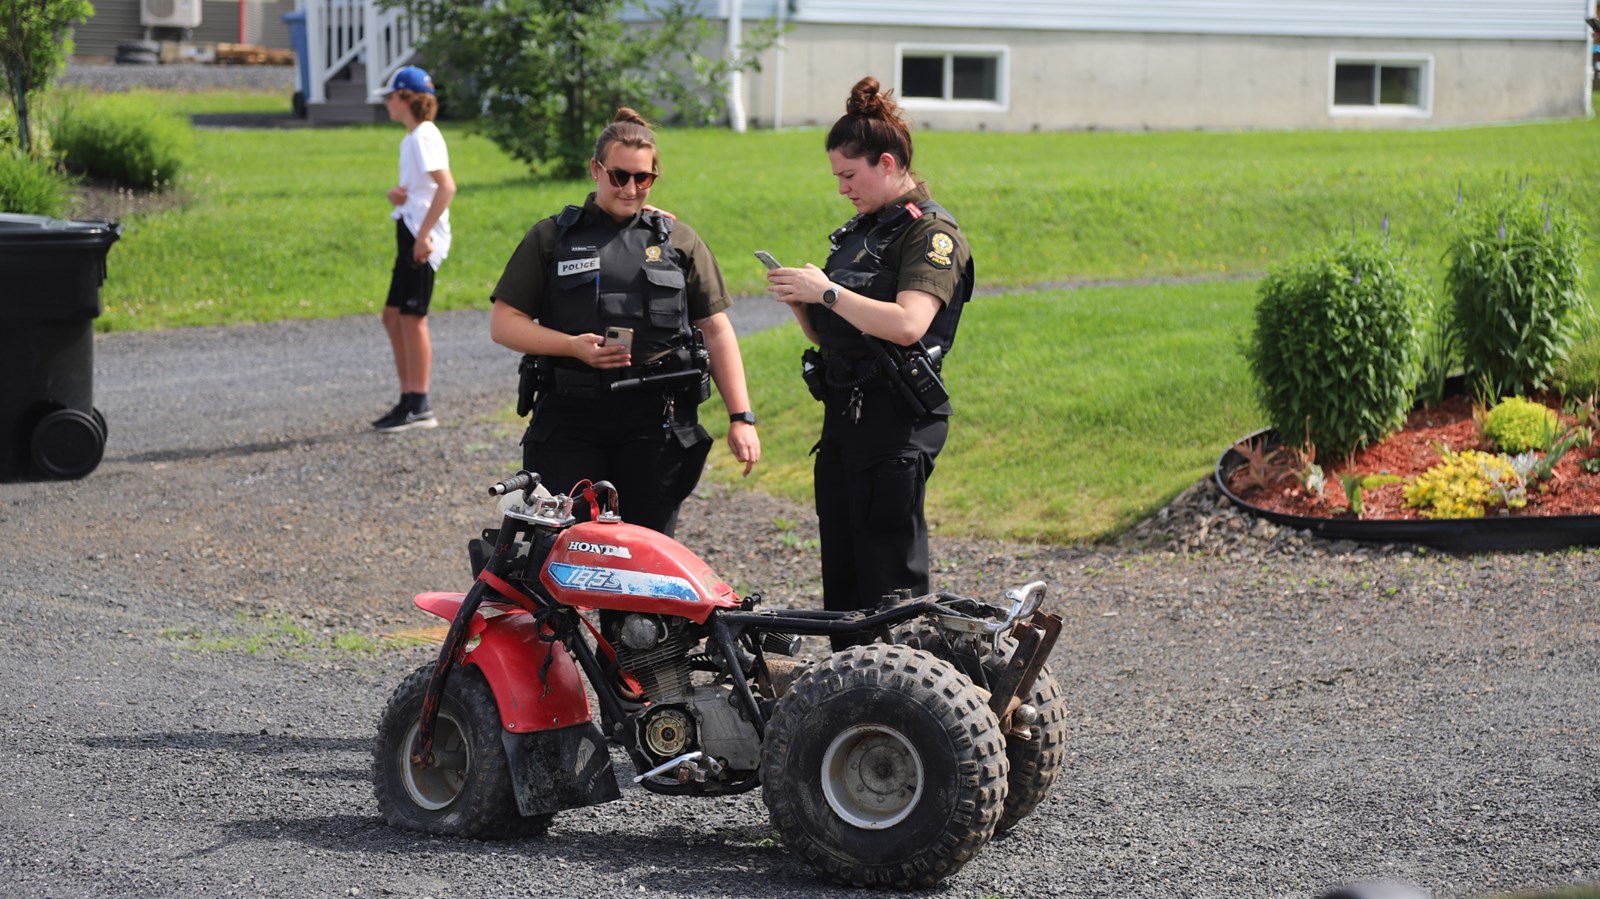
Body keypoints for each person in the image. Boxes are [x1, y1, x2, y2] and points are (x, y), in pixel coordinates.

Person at [766, 76, 975, 648]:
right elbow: (838, 333)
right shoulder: (861, 233)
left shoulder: (929, 234)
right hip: (847, 416)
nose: (842, 189)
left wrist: (828, 292)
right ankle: (849, 691)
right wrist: (801, 300)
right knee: (844, 570)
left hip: (897, 421)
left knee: (889, 576)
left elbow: (909, 323)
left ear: (887, 163)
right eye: (836, 176)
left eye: (849, 175)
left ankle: (904, 698)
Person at [488, 108, 760, 537]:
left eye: (643, 178)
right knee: (568, 548)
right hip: (571, 418)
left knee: (646, 553)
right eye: (619, 176)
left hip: (656, 423)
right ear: (595, 170)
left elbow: (716, 326)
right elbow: (504, 324)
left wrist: (741, 417)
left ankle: (633, 611)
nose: (631, 188)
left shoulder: (679, 240)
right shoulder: (551, 238)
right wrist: (573, 346)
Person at [371, 65, 456, 433]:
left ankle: (419, 404)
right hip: (410, 230)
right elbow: (425, 187)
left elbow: (446, 187)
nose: (387, 103)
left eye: (390, 96)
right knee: (393, 316)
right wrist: (400, 195)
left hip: (421, 237)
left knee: (411, 317)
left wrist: (423, 236)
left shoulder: (423, 136)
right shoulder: (415, 137)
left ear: (406, 99)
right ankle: (407, 399)